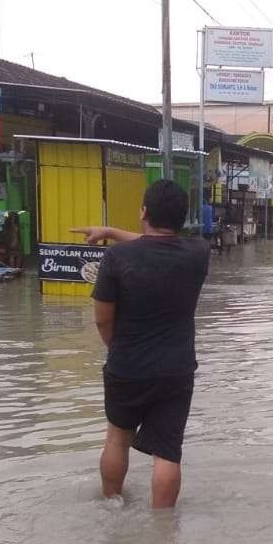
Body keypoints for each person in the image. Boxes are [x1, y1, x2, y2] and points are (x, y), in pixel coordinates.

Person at [72, 179, 211, 509]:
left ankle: (112, 504)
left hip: (127, 365)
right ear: (182, 218)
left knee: (117, 438)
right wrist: (112, 231)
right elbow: (156, 245)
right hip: (177, 369)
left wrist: (116, 349)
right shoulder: (198, 253)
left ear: (144, 211)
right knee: (168, 450)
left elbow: (103, 319)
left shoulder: (116, 258)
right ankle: (163, 527)